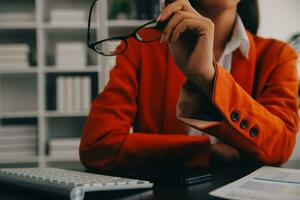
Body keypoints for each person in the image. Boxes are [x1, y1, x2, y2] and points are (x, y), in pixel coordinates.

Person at [80, 0, 299, 170]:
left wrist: (207, 77)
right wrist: (211, 153)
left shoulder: (277, 56)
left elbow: (280, 148)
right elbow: (97, 146)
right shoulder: (141, 47)